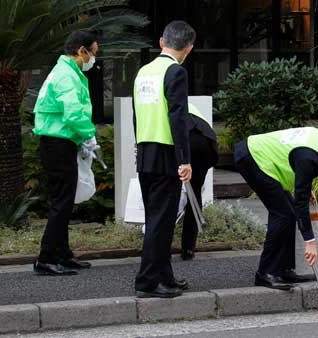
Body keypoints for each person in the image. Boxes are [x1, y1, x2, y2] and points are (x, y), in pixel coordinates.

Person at [234, 127, 318, 290]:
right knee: (282, 215)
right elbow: (301, 203)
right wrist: (310, 240)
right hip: (252, 157)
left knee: (289, 214)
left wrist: (306, 187)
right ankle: (265, 273)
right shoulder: (311, 159)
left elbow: (298, 165)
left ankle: (283, 269)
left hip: (259, 155)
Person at [133, 21, 195, 298]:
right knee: (161, 222)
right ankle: (147, 281)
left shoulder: (143, 71)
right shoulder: (176, 72)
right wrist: (184, 159)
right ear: (189, 48)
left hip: (145, 150)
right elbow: (178, 117)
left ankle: (165, 276)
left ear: (161, 42)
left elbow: (137, 115)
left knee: (157, 218)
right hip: (166, 153)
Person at [32, 30, 99, 275]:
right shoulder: (66, 76)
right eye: (93, 53)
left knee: (65, 199)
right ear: (81, 51)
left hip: (59, 142)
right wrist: (89, 133)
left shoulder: (66, 72)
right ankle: (47, 258)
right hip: (58, 143)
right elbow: (73, 114)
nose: (94, 59)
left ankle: (62, 254)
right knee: (62, 201)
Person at [180, 104, 219, 261]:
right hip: (206, 141)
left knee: (168, 194)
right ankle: (188, 248)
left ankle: (161, 248)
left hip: (184, 138)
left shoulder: (159, 103)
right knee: (194, 194)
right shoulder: (184, 101)